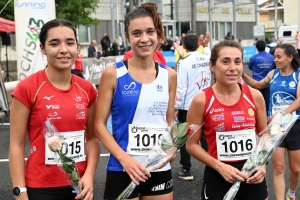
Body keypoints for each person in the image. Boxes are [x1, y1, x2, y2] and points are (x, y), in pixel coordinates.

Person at [9, 19, 100, 200]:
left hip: (80, 186)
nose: (64, 49)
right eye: (54, 44)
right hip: (41, 188)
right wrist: (20, 192)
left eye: (70, 43)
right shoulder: (27, 88)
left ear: (77, 47)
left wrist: (89, 175)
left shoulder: (87, 89)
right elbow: (16, 145)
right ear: (43, 48)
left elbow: (92, 138)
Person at [94, 2, 177, 200]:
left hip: (158, 168)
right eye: (137, 33)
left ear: (158, 34)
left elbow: (169, 121)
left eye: (150, 32)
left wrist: (172, 145)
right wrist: (125, 160)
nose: (144, 39)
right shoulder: (113, 74)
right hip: (123, 168)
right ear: (127, 37)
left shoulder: (170, 76)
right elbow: (98, 125)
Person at [187, 40, 268, 200]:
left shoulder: (255, 96)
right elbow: (191, 145)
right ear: (212, 66)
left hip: (253, 178)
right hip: (219, 178)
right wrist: (220, 167)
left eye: (237, 62)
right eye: (225, 62)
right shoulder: (201, 100)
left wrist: (263, 163)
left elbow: (264, 134)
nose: (233, 68)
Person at [242, 43, 300, 200]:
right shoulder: (273, 73)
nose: (275, 60)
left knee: (296, 169)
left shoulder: (298, 74)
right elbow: (258, 85)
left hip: (295, 125)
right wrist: (243, 75)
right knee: (279, 167)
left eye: (279, 57)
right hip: (275, 127)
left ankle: (291, 193)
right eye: (275, 56)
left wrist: (281, 114)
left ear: (290, 58)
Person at [175, 33, 211, 181]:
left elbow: (181, 88)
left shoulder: (184, 62)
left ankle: (186, 169)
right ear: (198, 45)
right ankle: (214, 165)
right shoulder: (206, 58)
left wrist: (176, 107)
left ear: (183, 46)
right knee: (206, 136)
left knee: (184, 137)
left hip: (188, 106)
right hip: (206, 102)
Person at [248, 40, 275, 112]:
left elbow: (250, 67)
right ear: (265, 46)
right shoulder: (272, 57)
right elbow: (274, 68)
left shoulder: (253, 57)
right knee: (267, 101)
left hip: (256, 82)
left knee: (255, 102)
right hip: (268, 82)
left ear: (256, 48)